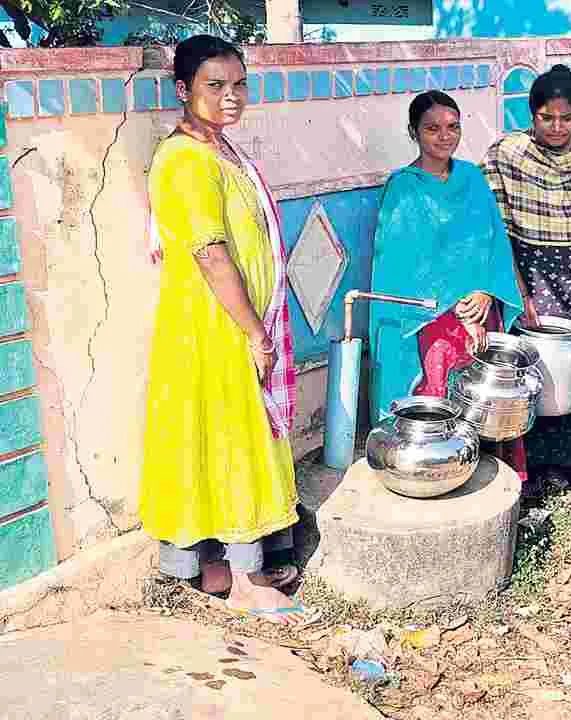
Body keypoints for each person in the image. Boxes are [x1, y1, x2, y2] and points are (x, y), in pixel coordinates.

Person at [140, 35, 315, 625]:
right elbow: (210, 254)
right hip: (213, 330)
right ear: (183, 89)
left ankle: (215, 569)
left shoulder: (221, 150)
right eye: (215, 85)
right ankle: (245, 582)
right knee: (233, 444)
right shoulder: (185, 160)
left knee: (222, 441)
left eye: (239, 84)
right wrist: (254, 334)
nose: (231, 96)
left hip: (227, 326)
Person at [369, 91, 527, 479]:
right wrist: (457, 306)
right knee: (438, 402)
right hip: (428, 320)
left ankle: (489, 480)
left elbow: (494, 243)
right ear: (414, 132)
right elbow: (402, 262)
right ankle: (438, 477)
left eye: (453, 127)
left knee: (485, 401)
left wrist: (487, 292)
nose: (445, 136)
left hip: (481, 310)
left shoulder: (472, 178)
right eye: (432, 128)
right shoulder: (404, 187)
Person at [482, 64, 571, 498]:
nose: (557, 127)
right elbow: (496, 231)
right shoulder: (506, 155)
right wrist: (520, 291)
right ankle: (530, 464)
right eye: (547, 118)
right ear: (532, 114)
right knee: (533, 366)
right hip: (528, 271)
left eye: (567, 118)